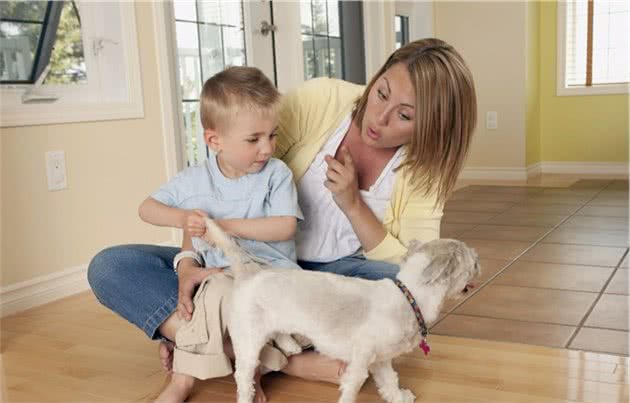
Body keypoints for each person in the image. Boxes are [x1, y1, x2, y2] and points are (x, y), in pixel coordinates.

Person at [88, 37, 477, 395]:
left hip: (335, 277)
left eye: (404, 116)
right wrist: (188, 259)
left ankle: (212, 342)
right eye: (381, 94)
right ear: (375, 78)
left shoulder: (427, 169)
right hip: (249, 260)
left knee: (408, 295)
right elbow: (224, 167)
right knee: (111, 266)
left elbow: (409, 263)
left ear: (431, 125)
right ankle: (285, 360)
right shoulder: (322, 100)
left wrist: (353, 205)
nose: (379, 118)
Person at [135, 66, 303, 402]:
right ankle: (182, 383)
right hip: (222, 277)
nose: (267, 148)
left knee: (241, 299)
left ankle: (252, 375)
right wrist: (185, 217)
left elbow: (285, 225)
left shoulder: (276, 174)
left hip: (271, 276)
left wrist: (221, 226)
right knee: (213, 294)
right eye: (254, 139)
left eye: (273, 135)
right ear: (215, 141)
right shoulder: (195, 181)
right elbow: (147, 208)